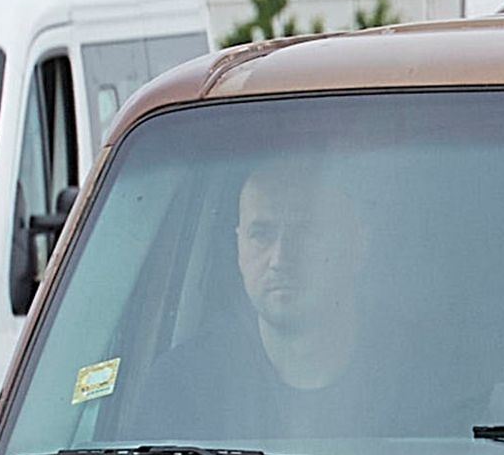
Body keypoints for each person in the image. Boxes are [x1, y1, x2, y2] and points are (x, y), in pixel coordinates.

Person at [129, 156, 375, 437]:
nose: (280, 259)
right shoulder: (181, 386)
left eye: (306, 232)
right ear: (238, 245)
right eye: (261, 234)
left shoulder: (420, 377)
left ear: (358, 245)